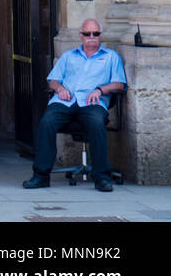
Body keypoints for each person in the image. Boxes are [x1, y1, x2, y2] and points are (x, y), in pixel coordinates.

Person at [22, 19, 127, 192]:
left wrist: (101, 89)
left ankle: (101, 178)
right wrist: (59, 88)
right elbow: (52, 81)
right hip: (66, 100)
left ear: (100, 36)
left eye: (96, 34)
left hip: (92, 101)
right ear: (81, 36)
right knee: (47, 122)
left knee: (96, 123)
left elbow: (119, 84)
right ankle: (40, 176)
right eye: (87, 33)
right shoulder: (68, 56)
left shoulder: (111, 57)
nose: (91, 37)